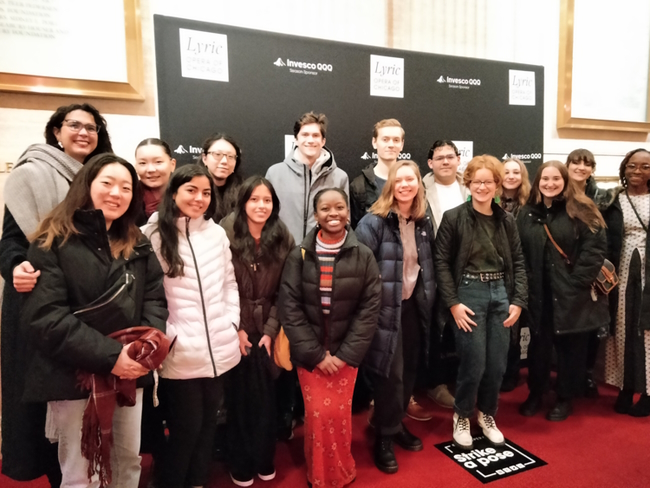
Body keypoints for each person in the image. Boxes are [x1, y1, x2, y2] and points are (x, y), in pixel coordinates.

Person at [21, 153, 168, 488]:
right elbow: (46, 317)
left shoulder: (137, 242)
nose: (117, 193)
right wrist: (110, 356)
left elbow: (155, 300)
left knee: (128, 461)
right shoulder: (52, 241)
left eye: (126, 187)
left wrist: (141, 351)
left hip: (131, 371)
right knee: (81, 471)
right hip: (72, 377)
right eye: (107, 183)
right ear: (86, 186)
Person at [0, 103, 112, 486]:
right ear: (56, 131)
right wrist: (15, 267)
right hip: (42, 298)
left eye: (91, 127)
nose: (83, 132)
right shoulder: (31, 174)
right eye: (74, 125)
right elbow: (12, 242)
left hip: (91, 301)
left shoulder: (104, 176)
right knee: (51, 400)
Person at [142, 164, 241, 488]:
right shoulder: (153, 234)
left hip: (219, 348)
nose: (199, 198)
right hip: (180, 353)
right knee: (186, 430)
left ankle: (197, 482)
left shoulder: (215, 233)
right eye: (191, 190)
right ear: (174, 192)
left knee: (209, 426)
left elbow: (229, 282)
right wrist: (170, 337)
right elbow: (147, 295)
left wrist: (231, 321)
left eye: (206, 192)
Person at [279, 188, 381, 488]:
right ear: (315, 213)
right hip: (310, 355)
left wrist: (345, 354)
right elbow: (289, 307)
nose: (333, 213)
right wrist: (317, 355)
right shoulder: (299, 253)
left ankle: (341, 470)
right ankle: (320, 475)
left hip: (345, 355)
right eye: (325, 208)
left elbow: (369, 308)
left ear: (348, 212)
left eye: (339, 207)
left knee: (339, 415)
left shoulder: (363, 254)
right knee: (318, 415)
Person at [434, 155, 527, 450]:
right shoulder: (453, 217)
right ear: (468, 183)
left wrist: (518, 300)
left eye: (489, 181)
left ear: (497, 185)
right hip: (468, 294)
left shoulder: (507, 220)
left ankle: (487, 414)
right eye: (477, 181)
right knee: (473, 362)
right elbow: (441, 264)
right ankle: (462, 414)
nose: (483, 187)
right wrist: (453, 303)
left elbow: (519, 262)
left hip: (501, 293)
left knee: (497, 364)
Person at [355, 161, 436, 474]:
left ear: (418, 184)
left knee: (411, 368)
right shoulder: (373, 222)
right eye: (399, 180)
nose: (405, 185)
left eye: (411, 179)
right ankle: (383, 437)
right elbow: (361, 270)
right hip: (385, 308)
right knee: (391, 374)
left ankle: (394, 422)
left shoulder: (422, 220)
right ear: (390, 185)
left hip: (414, 305)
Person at [517, 161, 608, 421]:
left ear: (565, 180)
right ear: (537, 182)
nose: (550, 183)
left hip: (571, 295)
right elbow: (519, 250)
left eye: (556, 178)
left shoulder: (582, 209)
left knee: (571, 349)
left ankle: (565, 397)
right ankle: (536, 392)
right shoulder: (528, 212)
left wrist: (576, 282)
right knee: (538, 348)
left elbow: (595, 250)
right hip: (539, 295)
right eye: (545, 179)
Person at [219, 176, 295, 486]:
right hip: (232, 326)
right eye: (254, 199)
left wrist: (270, 329)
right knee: (237, 398)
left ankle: (264, 457)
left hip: (268, 328)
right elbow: (220, 287)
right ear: (243, 202)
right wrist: (235, 328)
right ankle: (240, 461)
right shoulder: (223, 233)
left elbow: (286, 290)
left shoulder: (282, 235)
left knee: (265, 398)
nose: (261, 206)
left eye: (267, 200)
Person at [422, 140, 470, 409]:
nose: (445, 162)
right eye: (438, 157)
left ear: (458, 159)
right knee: (435, 328)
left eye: (449, 157)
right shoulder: (420, 188)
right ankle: (435, 384)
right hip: (432, 265)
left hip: (468, 268)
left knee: (465, 328)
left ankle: (464, 381)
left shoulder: (471, 186)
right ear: (430, 163)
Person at [603, 148, 650, 417]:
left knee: (646, 332)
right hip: (620, 270)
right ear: (624, 168)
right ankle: (624, 386)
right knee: (621, 328)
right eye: (632, 166)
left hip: (648, 271)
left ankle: (647, 392)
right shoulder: (613, 200)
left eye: (645, 167)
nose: (637, 171)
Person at [565, 148, 615, 398]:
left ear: (592, 169)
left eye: (586, 164)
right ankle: (568, 376)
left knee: (592, 326)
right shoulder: (558, 193)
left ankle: (587, 374)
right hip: (565, 266)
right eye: (575, 162)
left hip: (594, 268)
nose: (580, 168)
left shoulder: (603, 197)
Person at [266, 111, 349, 243]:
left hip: (322, 253)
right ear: (296, 139)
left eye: (315, 135)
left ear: (323, 141)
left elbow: (345, 220)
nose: (310, 140)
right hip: (282, 253)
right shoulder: (275, 173)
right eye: (305, 135)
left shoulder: (340, 177)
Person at [499, 158, 531, 392]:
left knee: (514, 327)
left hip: (520, 271)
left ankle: (511, 371)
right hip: (494, 271)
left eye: (516, 172)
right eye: (506, 171)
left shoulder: (530, 204)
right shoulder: (489, 200)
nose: (511, 176)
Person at [350, 119, 405, 228]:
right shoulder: (359, 185)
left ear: (402, 145)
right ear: (374, 142)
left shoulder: (412, 182)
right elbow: (354, 229)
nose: (391, 145)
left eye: (396, 140)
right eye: (385, 139)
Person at [201, 133, 244, 222]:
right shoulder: (194, 190)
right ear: (204, 158)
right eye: (217, 154)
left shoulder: (243, 192)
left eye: (230, 156)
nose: (224, 161)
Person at [134, 138, 177, 224]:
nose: (150, 169)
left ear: (172, 164)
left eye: (158, 162)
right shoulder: (130, 196)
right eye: (143, 163)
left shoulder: (186, 193)